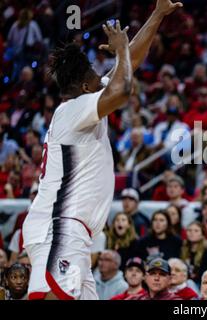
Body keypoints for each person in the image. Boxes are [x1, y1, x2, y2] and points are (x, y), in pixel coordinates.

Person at [21, 0, 182, 300]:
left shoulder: (82, 103)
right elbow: (123, 88)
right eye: (97, 75)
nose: (102, 77)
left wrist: (157, 14)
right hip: (60, 226)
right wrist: (120, 50)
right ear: (84, 86)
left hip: (71, 230)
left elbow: (130, 63)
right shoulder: (75, 109)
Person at [180, 221, 207, 285]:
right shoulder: (182, 249)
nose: (192, 233)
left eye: (196, 231)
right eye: (189, 230)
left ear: (202, 234)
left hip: (201, 284)